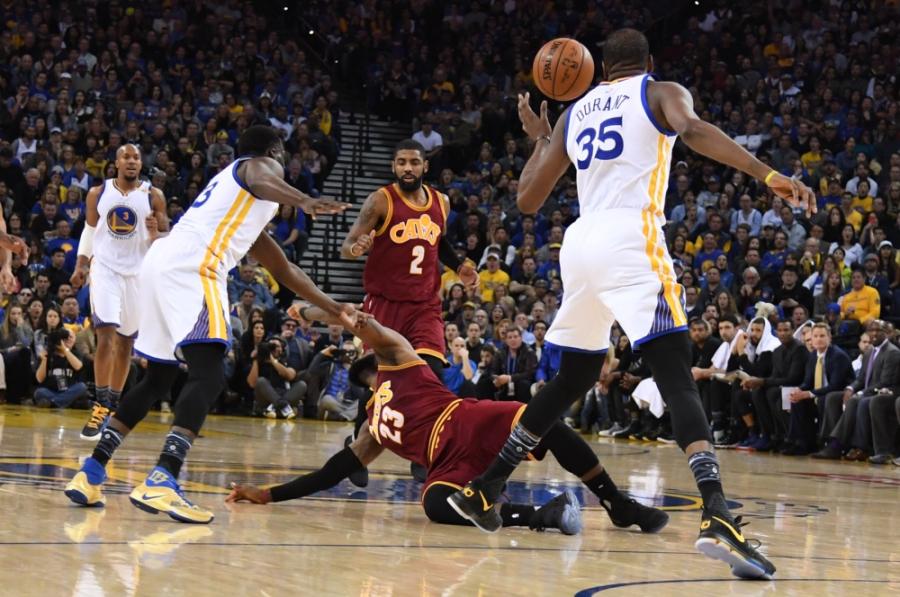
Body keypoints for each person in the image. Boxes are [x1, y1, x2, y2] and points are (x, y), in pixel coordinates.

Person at [446, 29, 815, 580]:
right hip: (631, 237)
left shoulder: (573, 114)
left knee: (573, 378)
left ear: (599, 70)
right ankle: (718, 514)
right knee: (677, 377)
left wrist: (541, 141)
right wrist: (768, 174)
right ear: (649, 61)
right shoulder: (659, 91)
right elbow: (694, 131)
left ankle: (485, 487)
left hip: (579, 246)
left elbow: (526, 199)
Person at [65, 125, 356, 523]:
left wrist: (335, 307)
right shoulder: (256, 168)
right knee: (210, 376)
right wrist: (305, 199)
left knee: (158, 379)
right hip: (195, 267)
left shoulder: (238, 202)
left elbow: (284, 269)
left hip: (160, 263)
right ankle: (163, 478)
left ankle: (91, 471)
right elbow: (260, 173)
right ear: (274, 152)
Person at [226, 304, 669, 537]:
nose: (363, 345)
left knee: (544, 421)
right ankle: (540, 515)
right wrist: (269, 494)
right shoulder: (371, 426)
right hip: (446, 463)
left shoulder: (400, 357)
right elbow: (332, 472)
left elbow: (356, 319)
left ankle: (616, 503)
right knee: (436, 505)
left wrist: (311, 312)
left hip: (465, 420)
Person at [340, 139, 478, 383]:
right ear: (393, 166)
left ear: (425, 166)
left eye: (414, 162)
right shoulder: (380, 200)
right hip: (385, 304)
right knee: (385, 382)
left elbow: (438, 241)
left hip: (425, 305)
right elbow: (346, 247)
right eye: (402, 162)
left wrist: (458, 266)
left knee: (431, 373)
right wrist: (356, 248)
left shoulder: (441, 202)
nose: (407, 168)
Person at [70, 143, 168, 440]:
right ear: (116, 162)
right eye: (126, 156)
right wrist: (81, 264)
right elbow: (89, 231)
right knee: (106, 335)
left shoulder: (153, 195)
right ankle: (100, 405)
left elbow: (165, 239)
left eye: (136, 157)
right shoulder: (98, 193)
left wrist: (156, 233)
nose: (132, 161)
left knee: (126, 343)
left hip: (137, 274)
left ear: (141, 164)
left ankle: (112, 405)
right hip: (105, 270)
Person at [33, 328, 87, 408]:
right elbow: (39, 379)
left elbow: (78, 366)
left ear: (75, 339)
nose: (68, 340)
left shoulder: (76, 354)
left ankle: (53, 403)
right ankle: (63, 402)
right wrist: (44, 360)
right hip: (52, 391)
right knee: (39, 392)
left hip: (69, 391)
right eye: (65, 338)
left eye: (71, 337)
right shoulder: (48, 355)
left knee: (82, 387)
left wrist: (65, 350)